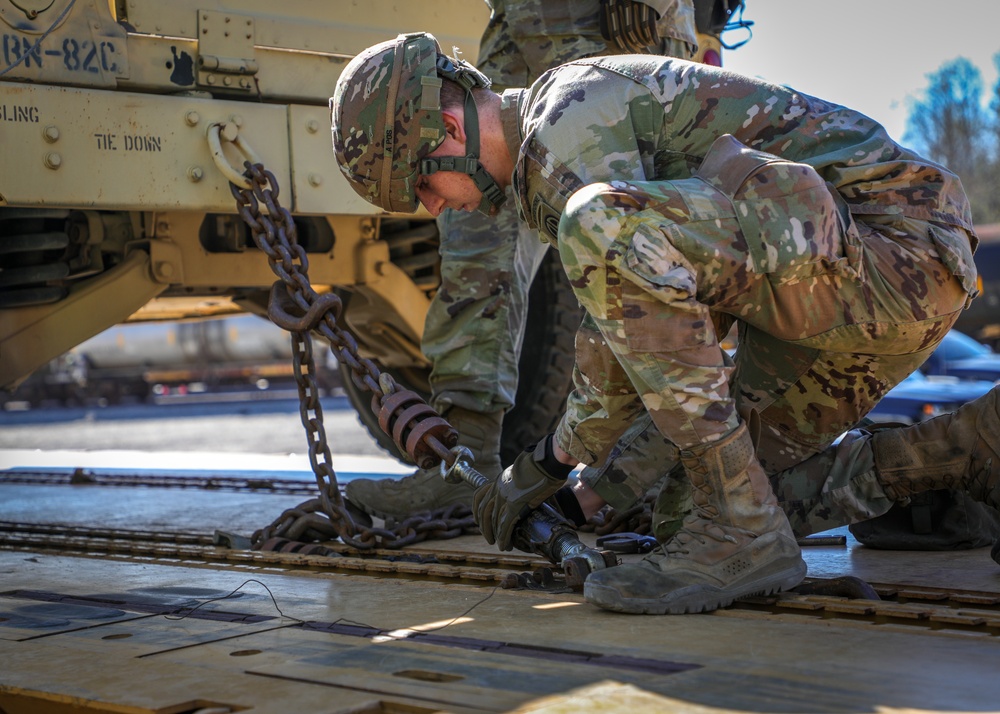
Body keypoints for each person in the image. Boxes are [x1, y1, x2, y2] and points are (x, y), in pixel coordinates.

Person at [330, 32, 996, 615]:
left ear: (447, 132)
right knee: (689, 510)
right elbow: (671, 351)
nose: (429, 204)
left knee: (598, 224)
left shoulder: (567, 123)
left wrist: (548, 464)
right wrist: (589, 497)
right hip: (847, 283)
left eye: (420, 185)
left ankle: (743, 531)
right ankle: (970, 448)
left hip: (900, 251)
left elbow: (618, 351)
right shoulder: (547, 161)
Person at [344, 0, 700, 520]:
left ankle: (644, 467)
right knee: (473, 224)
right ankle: (464, 460)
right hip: (522, 18)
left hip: (613, 19)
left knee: (639, 250)